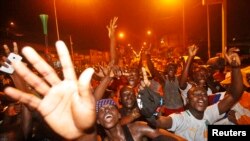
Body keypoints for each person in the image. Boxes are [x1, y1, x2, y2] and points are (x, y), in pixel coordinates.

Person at [138, 49, 243, 141]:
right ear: (187, 100)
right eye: (195, 95)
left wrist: (235, 68)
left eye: (203, 95)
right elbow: (159, 122)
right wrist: (150, 113)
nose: (201, 97)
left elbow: (234, 95)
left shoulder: (209, 112)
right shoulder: (181, 119)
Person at [96, 98, 186, 141]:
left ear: (119, 115)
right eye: (101, 110)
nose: (107, 110)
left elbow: (175, 139)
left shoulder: (137, 128)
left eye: (111, 108)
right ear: (98, 121)